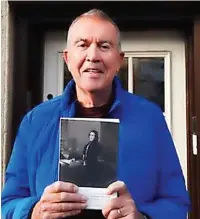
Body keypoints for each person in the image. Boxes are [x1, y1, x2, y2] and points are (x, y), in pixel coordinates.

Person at [1, 8, 190, 219]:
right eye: (83, 45)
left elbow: (176, 204)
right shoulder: (36, 121)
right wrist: (33, 212)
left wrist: (142, 216)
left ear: (119, 60)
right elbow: (7, 205)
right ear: (67, 58)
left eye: (104, 46)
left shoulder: (150, 119)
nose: (93, 56)